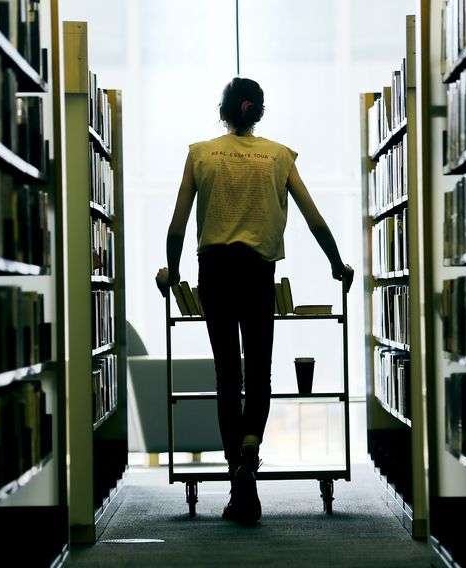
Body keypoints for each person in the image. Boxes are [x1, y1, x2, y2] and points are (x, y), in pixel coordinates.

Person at [155, 77, 354, 524]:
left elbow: (177, 225)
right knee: (259, 370)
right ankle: (251, 451)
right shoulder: (279, 156)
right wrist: (336, 265)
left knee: (228, 373)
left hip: (215, 271)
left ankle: (233, 476)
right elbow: (314, 218)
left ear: (223, 110)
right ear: (258, 112)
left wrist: (175, 271)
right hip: (258, 271)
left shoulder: (201, 153)